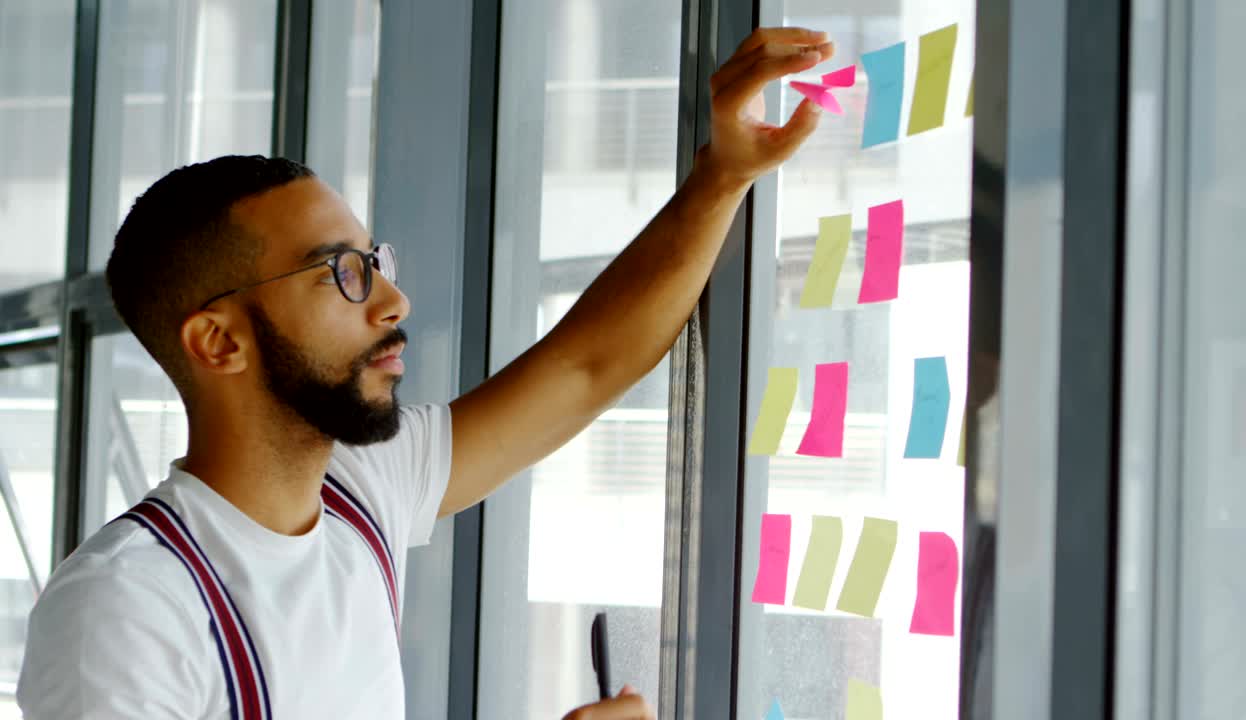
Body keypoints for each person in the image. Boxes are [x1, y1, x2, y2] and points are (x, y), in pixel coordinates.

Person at [16, 27, 835, 720]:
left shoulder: (361, 486)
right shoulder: (126, 610)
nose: (394, 301)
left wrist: (722, 177)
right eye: (341, 273)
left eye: (374, 261)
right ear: (219, 342)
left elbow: (587, 366)